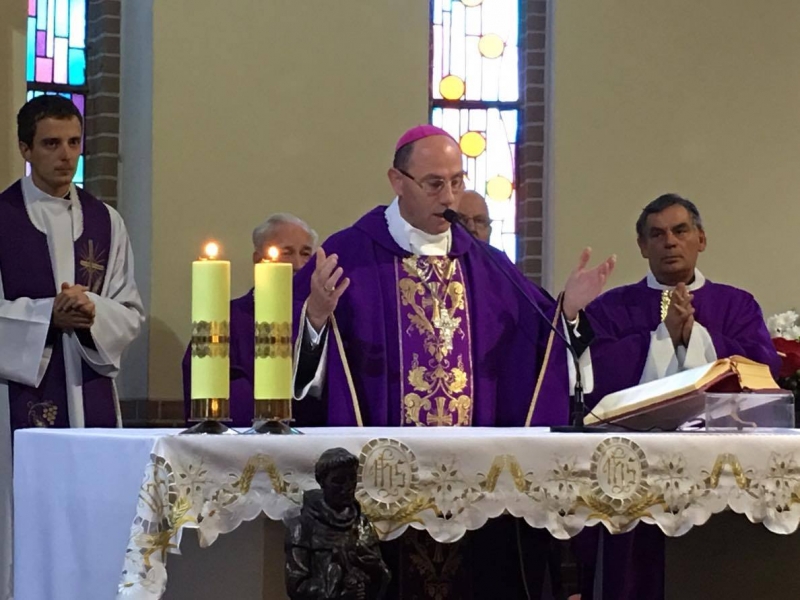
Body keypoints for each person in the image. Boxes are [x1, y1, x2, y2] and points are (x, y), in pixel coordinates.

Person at [291, 124, 615, 597]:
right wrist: (317, 315)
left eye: (457, 182)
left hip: (472, 484)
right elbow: (296, 363)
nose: (449, 197)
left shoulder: (485, 263)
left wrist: (566, 311)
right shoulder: (348, 255)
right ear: (397, 181)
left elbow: (534, 347)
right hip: (381, 485)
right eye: (434, 183)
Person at [578, 193, 780, 600]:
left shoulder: (737, 304)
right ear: (642, 246)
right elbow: (593, 378)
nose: (669, 241)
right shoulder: (611, 308)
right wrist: (662, 337)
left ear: (700, 239)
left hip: (720, 467)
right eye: (656, 234)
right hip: (633, 471)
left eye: (680, 230)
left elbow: (763, 371)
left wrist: (695, 335)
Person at [0, 95, 144, 600]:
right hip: (15, 401)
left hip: (89, 390)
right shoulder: (2, 217)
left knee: (91, 518)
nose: (66, 155)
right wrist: (45, 317)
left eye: (74, 142)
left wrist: (91, 313)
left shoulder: (107, 222)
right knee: (23, 521)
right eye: (51, 143)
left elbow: (129, 310)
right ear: (25, 148)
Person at [182, 213, 318, 427]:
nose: (298, 264)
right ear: (258, 259)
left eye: (306, 254)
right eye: (287, 252)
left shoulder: (318, 319)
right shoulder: (228, 319)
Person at [285, 447, 391, 600]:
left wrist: (372, 571)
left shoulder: (361, 523)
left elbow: (381, 577)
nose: (347, 487)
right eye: (338, 481)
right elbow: (296, 586)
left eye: (352, 479)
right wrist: (339, 595)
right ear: (321, 481)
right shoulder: (302, 527)